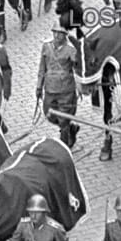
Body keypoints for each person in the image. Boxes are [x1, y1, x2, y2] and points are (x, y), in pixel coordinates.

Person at [36, 20, 79, 149]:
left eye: (59, 33)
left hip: (66, 89)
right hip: (50, 88)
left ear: (65, 34)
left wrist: (80, 86)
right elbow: (42, 68)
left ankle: (64, 146)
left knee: (63, 118)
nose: (56, 36)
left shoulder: (71, 50)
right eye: (54, 32)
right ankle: (70, 128)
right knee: (49, 114)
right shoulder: (46, 46)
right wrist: (39, 86)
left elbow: (77, 69)